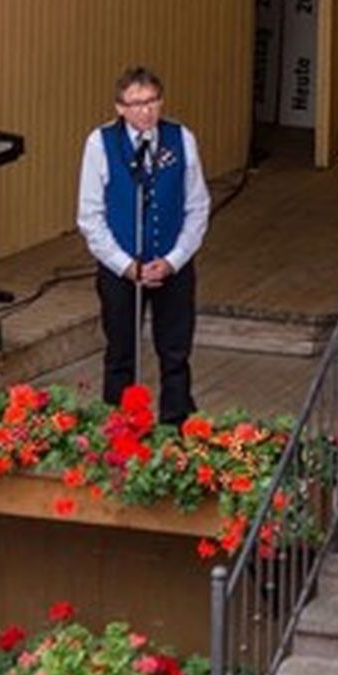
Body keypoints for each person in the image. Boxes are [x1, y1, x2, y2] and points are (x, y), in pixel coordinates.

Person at [75, 66, 210, 427]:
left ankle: (177, 423)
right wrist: (126, 265)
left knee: (175, 350)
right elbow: (90, 216)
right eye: (136, 104)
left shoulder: (181, 138)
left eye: (152, 101)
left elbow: (197, 206)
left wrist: (174, 259)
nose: (146, 111)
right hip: (121, 267)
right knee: (121, 351)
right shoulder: (100, 143)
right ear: (120, 108)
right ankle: (119, 425)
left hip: (172, 264)